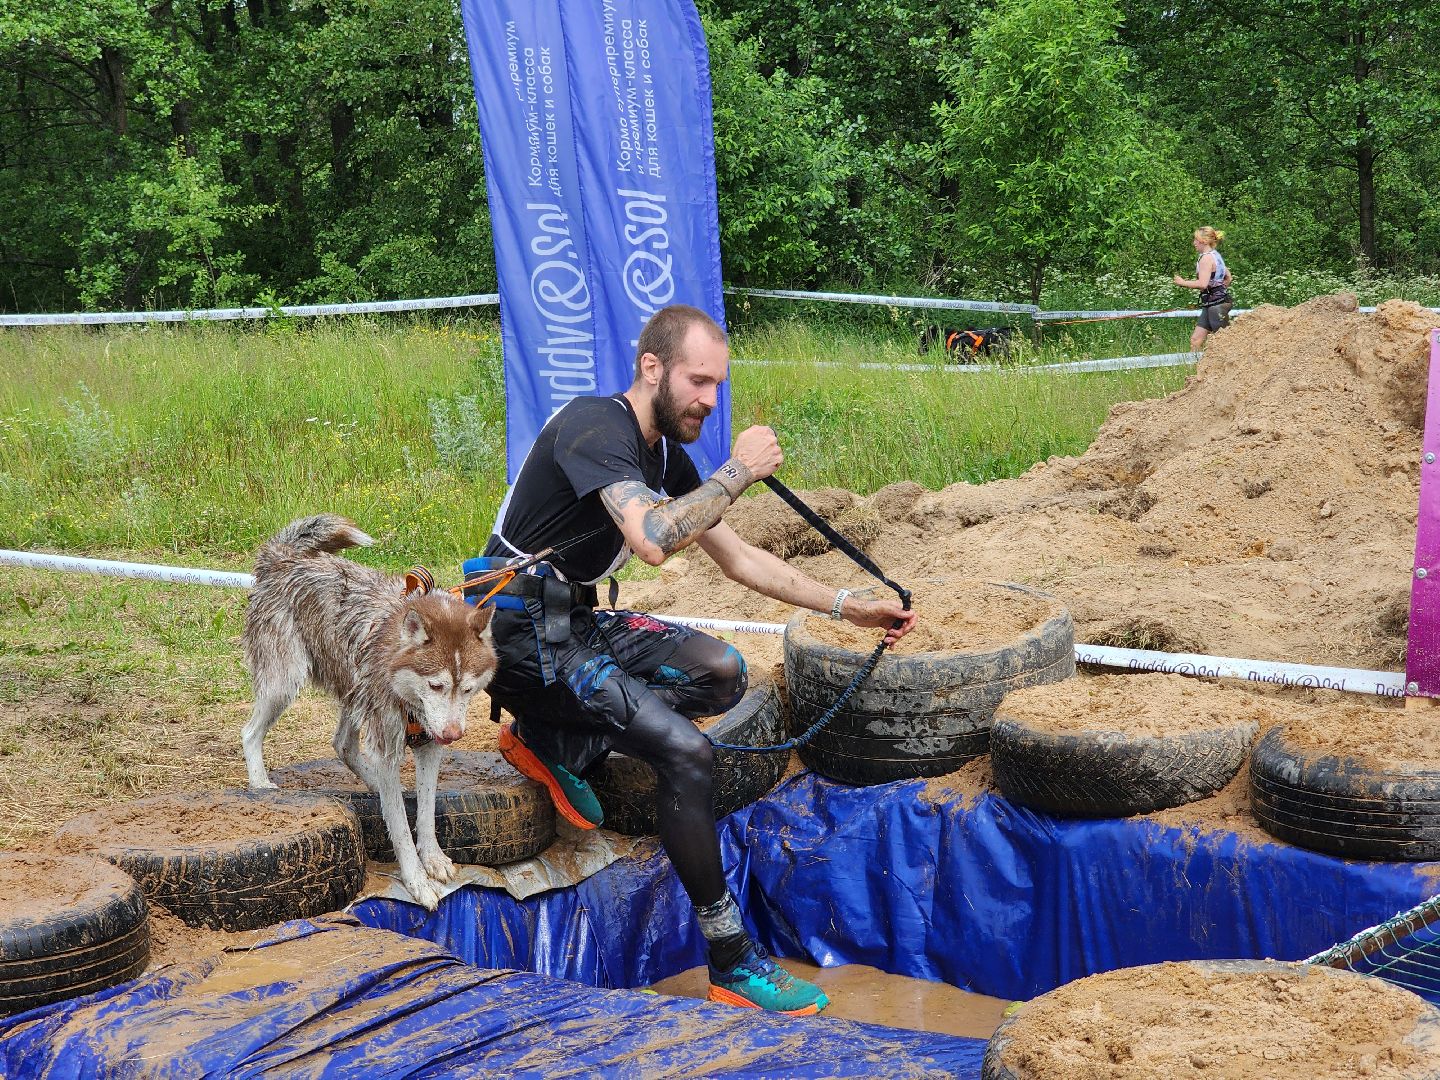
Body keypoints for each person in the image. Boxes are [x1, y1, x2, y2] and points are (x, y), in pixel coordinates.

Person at [475, 303, 916, 1016]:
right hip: (518, 633)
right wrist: (737, 471)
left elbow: (738, 557)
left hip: (577, 618)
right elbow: (651, 538)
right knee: (688, 757)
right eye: (699, 381)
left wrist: (846, 605)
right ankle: (732, 962)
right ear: (652, 368)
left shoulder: (661, 455)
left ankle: (554, 737)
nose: (711, 401)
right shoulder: (595, 426)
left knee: (723, 673)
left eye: (718, 385)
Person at [1173, 226, 1233, 350]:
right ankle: (1194, 368)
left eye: (1196, 240)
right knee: (1195, 340)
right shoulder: (1216, 255)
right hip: (1213, 304)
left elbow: (1202, 284)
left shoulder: (1206, 258)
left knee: (1223, 343)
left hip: (1216, 307)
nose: (1194, 243)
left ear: (1204, 241)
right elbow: (1228, 277)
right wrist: (1220, 290)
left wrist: (1182, 282)